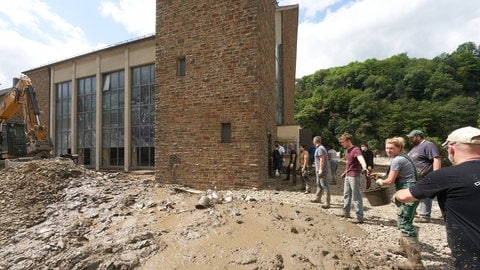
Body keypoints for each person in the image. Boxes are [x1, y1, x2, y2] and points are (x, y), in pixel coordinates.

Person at [395, 126, 480, 269]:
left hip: (472, 260)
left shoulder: (446, 176)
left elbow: (404, 196)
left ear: (451, 149)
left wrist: (397, 193)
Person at [375, 137, 423, 270]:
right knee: (404, 219)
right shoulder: (402, 157)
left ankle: (416, 262)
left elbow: (390, 180)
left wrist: (381, 181)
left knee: (405, 223)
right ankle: (403, 248)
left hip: (408, 191)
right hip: (410, 190)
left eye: (391, 148)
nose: (388, 150)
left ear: (399, 148)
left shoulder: (397, 159)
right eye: (387, 147)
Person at [406, 129, 441, 223]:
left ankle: (425, 216)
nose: (410, 139)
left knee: (425, 195)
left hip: (426, 175)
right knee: (415, 193)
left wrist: (436, 174)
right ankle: (414, 212)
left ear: (418, 137)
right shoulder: (415, 147)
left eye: (412, 137)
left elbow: (436, 158)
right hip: (415, 177)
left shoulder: (428, 145)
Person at [338, 132, 368, 224]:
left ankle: (359, 217)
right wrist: (345, 172)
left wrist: (364, 167)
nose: (341, 144)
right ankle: (346, 212)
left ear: (348, 141)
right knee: (346, 194)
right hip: (348, 174)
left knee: (356, 196)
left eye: (343, 142)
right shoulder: (347, 150)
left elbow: (361, 159)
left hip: (355, 175)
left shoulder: (356, 150)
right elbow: (349, 164)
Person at [311, 136, 330, 209]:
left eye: (313, 140)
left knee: (324, 185)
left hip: (321, 171)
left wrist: (321, 170)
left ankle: (327, 203)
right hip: (318, 170)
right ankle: (318, 198)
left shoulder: (320, 149)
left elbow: (322, 159)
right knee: (318, 184)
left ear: (315, 141)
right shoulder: (321, 148)